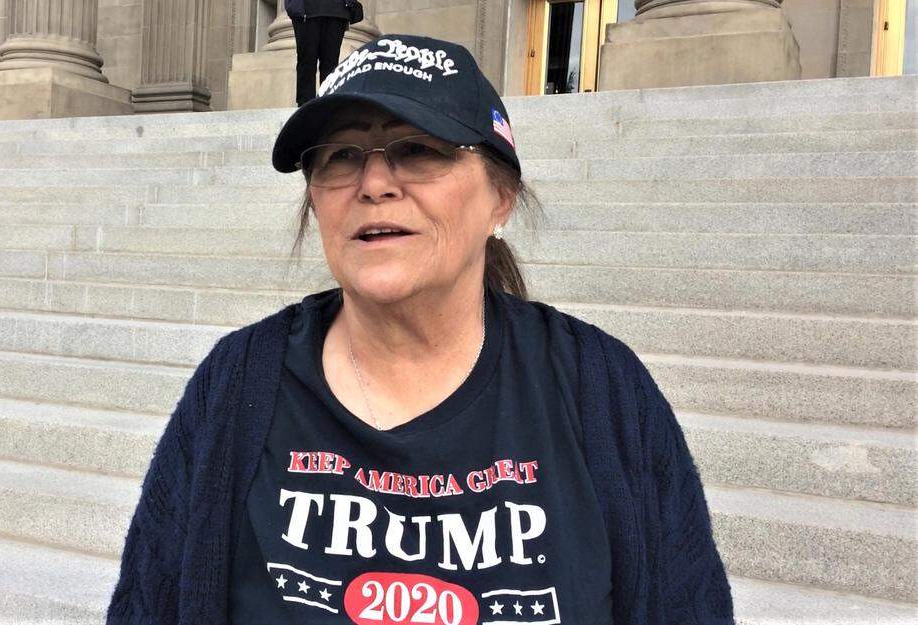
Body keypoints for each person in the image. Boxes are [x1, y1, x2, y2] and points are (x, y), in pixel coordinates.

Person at [106, 34, 735, 625]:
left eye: (419, 149)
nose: (374, 184)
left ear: (501, 197)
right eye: (341, 157)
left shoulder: (601, 389)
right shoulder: (238, 381)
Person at [285, 0, 357, 105]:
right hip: (306, 8)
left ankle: (328, 105)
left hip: (336, 8)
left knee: (331, 63)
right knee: (307, 61)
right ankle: (305, 107)